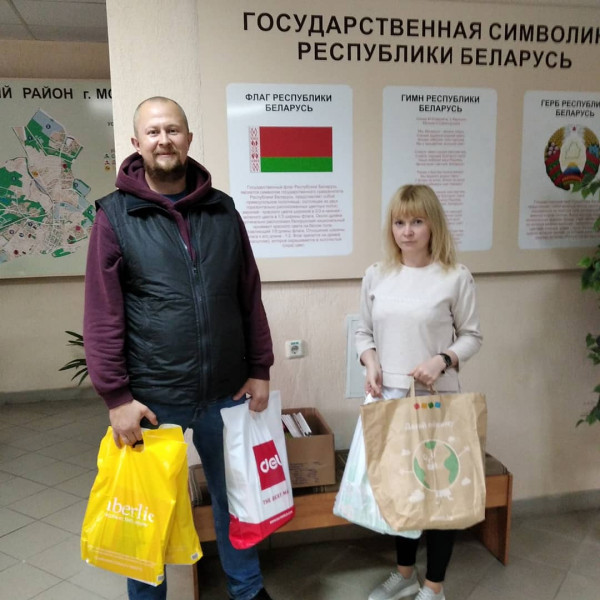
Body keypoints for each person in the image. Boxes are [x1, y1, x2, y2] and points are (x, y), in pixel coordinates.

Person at [83, 96, 275, 600]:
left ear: (188, 138)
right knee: (146, 513)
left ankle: (247, 590)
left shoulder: (223, 209)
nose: (163, 140)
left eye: (173, 130)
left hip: (225, 390)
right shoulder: (115, 216)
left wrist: (260, 367)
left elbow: (248, 293)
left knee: (237, 501)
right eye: (153, 132)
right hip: (152, 397)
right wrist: (117, 398)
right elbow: (102, 313)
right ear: (136, 142)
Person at [355, 184, 482, 600]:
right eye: (399, 222)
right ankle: (405, 574)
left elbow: (472, 336)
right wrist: (370, 360)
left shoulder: (454, 276)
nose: (407, 231)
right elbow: (363, 332)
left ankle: (434, 586)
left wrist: (442, 359)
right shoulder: (377, 274)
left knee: (440, 494)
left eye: (416, 222)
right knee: (401, 491)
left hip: (437, 400)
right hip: (390, 400)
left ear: (433, 226)